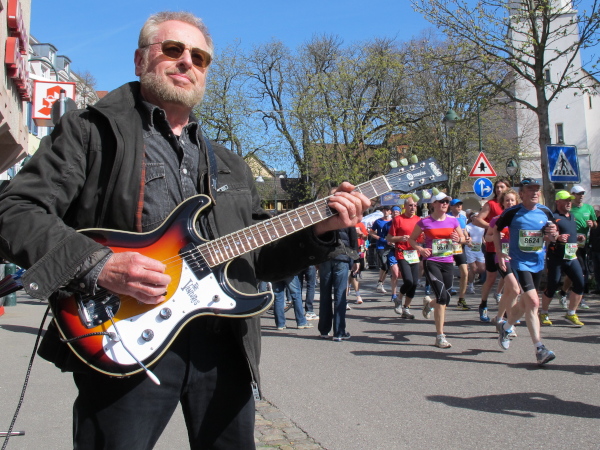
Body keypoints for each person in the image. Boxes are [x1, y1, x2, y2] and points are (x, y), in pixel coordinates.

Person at [0, 12, 371, 449]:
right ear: (140, 60)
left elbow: (258, 260)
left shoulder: (228, 163)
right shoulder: (91, 132)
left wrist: (321, 228)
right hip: (125, 334)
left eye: (200, 57)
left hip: (223, 343)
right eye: (173, 49)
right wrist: (99, 264)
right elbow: (15, 210)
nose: (187, 62)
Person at [493, 178, 557, 366]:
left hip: (537, 262)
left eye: (537, 189)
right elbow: (495, 230)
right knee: (534, 302)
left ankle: (506, 327)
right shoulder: (512, 212)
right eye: (530, 189)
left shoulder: (545, 212)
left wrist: (553, 234)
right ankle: (539, 348)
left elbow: (552, 236)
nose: (535, 192)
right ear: (522, 193)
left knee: (525, 303)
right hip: (519, 262)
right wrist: (500, 253)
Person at [409, 192, 464, 348]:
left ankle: (429, 304)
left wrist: (459, 239)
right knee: (442, 297)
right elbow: (412, 239)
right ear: (433, 204)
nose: (445, 204)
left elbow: (463, 238)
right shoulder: (425, 221)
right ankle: (440, 336)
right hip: (431, 261)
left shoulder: (453, 221)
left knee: (446, 297)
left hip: (448, 262)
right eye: (441, 201)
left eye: (447, 201)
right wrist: (420, 249)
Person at [539, 191, 586, 327]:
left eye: (570, 200)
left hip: (571, 256)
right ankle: (544, 312)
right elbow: (544, 235)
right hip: (556, 257)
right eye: (566, 200)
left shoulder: (572, 217)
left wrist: (578, 238)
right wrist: (557, 238)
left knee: (580, 283)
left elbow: (570, 233)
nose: (569, 203)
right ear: (557, 202)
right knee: (552, 285)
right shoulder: (553, 217)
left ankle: (571, 313)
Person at [472, 178, 510, 307]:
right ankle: (483, 303)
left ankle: (502, 299)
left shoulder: (513, 205)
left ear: (508, 188)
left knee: (509, 277)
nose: (499, 189)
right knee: (491, 278)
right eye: (497, 187)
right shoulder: (491, 204)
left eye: (502, 187)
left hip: (509, 247)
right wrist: (493, 229)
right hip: (493, 247)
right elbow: (478, 220)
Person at [318, 226, 360, 341]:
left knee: (325, 295)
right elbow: (353, 240)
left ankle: (324, 330)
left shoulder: (323, 218)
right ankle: (339, 332)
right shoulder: (347, 218)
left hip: (325, 257)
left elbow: (317, 237)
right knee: (340, 295)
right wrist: (356, 259)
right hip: (342, 256)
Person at [558, 185, 597, 308]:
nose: (581, 196)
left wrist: (592, 224)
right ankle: (580, 297)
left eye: (582, 194)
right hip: (570, 244)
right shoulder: (569, 209)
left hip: (583, 244)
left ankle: (563, 292)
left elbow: (595, 223)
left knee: (576, 272)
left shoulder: (588, 208)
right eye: (578, 194)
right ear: (573, 195)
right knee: (580, 271)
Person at [484, 189, 519, 325]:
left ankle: (499, 318)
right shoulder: (497, 220)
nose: (510, 202)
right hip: (502, 257)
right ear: (502, 203)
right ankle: (510, 322)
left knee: (510, 290)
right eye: (507, 200)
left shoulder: (521, 220)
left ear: (516, 202)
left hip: (517, 257)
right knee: (515, 289)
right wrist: (495, 236)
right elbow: (487, 237)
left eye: (512, 200)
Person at [386, 196, 422, 318]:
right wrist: (401, 238)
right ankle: (399, 299)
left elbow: (421, 238)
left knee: (415, 283)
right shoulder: (398, 219)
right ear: (405, 206)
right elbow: (389, 238)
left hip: (414, 253)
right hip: (402, 253)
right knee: (408, 281)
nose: (413, 208)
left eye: (415, 205)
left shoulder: (418, 220)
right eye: (410, 205)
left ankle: (406, 308)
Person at [448, 198, 470, 310]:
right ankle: (445, 295)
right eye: (456, 205)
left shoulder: (463, 218)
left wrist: (468, 238)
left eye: (460, 205)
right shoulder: (446, 217)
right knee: (448, 273)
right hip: (447, 248)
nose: (459, 207)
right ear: (451, 207)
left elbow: (464, 231)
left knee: (465, 272)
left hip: (459, 248)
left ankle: (461, 299)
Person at [369, 206, 392, 293]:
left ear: (390, 212)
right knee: (384, 265)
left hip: (391, 246)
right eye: (384, 210)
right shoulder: (378, 221)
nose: (385, 212)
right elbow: (371, 232)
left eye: (387, 210)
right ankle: (380, 282)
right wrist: (379, 238)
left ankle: (381, 283)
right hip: (381, 246)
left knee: (388, 266)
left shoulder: (393, 221)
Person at [385, 206, 402, 303]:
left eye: (397, 212)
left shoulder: (403, 223)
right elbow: (384, 237)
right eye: (394, 212)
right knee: (395, 273)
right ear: (391, 213)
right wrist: (388, 241)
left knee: (402, 274)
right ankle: (394, 294)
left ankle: (403, 293)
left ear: (400, 213)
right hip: (392, 251)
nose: (395, 213)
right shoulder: (387, 225)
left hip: (403, 251)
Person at [465, 212, 485, 294]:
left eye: (478, 216)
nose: (477, 217)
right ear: (472, 218)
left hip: (478, 249)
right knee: (473, 269)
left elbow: (481, 236)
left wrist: (485, 242)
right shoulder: (468, 226)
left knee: (482, 269)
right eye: (476, 216)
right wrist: (468, 241)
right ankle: (470, 285)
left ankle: (470, 276)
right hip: (470, 249)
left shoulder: (482, 227)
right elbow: (465, 236)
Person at [349, 221, 368, 304]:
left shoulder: (360, 224)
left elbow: (366, 237)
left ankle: (349, 286)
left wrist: (361, 233)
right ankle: (358, 296)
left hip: (360, 250)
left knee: (354, 272)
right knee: (353, 273)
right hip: (349, 251)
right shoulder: (347, 223)